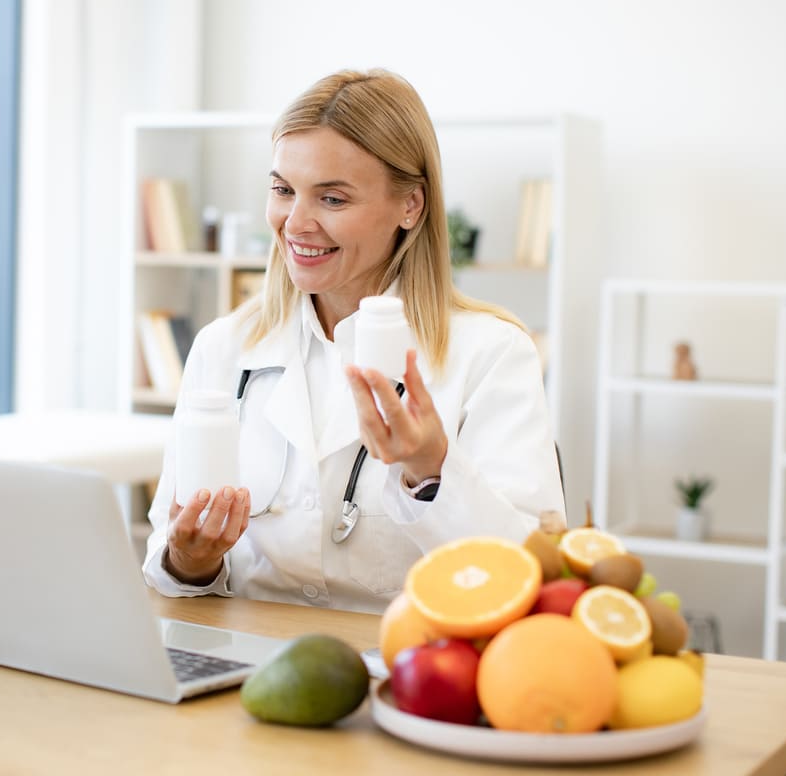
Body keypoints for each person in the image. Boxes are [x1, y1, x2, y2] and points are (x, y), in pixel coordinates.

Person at [142, 68, 565, 614]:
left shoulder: (492, 353)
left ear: (409, 206)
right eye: (282, 190)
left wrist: (432, 467)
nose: (295, 223)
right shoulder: (223, 347)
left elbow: (529, 571)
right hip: (250, 665)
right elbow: (165, 557)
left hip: (409, 670)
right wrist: (190, 560)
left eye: (333, 199)